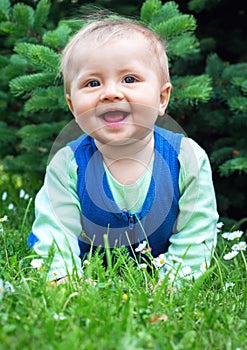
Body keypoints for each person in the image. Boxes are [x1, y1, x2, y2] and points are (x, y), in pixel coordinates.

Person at [28, 17, 219, 284]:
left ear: (162, 98)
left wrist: (175, 283)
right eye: (92, 83)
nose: (110, 93)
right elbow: (55, 233)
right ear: (73, 107)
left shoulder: (185, 158)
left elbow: (196, 233)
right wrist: (63, 281)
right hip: (90, 271)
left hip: (163, 272)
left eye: (129, 79)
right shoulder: (67, 164)